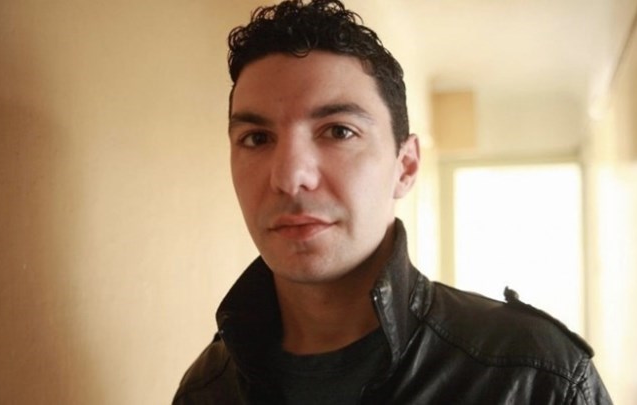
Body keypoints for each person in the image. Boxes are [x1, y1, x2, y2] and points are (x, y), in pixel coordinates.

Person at [173, 0, 612, 403]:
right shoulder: (207, 389)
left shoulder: (535, 376)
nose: (289, 178)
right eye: (256, 138)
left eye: (338, 131)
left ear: (405, 166)